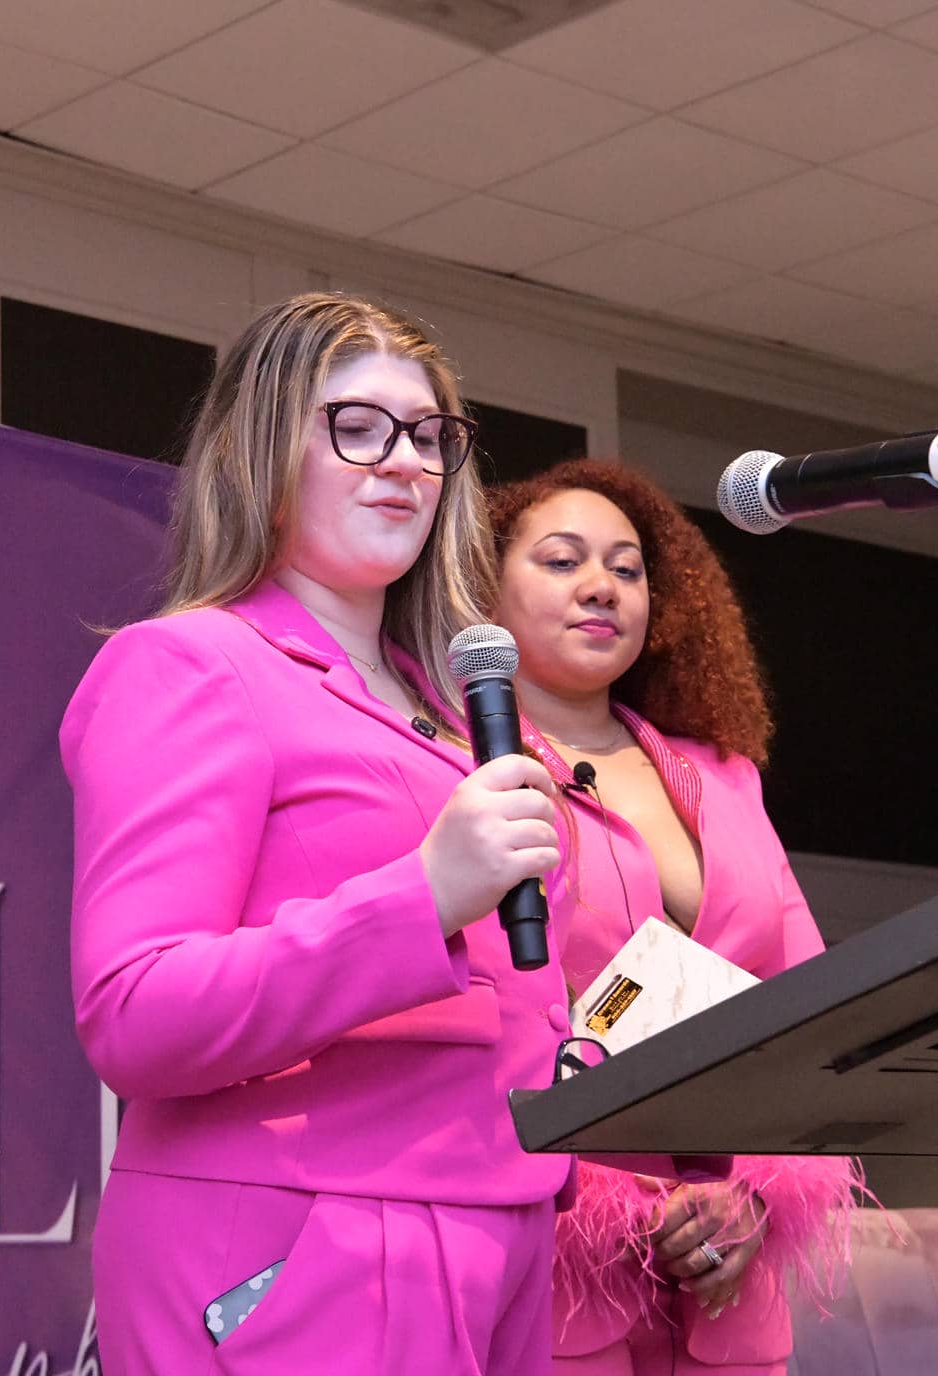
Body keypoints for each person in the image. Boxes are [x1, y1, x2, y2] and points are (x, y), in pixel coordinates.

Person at [63, 292, 575, 1374]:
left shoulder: (457, 706)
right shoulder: (190, 663)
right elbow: (134, 1012)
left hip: (508, 1230)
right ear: (261, 448)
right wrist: (424, 895)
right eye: (357, 426)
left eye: (429, 436)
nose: (405, 462)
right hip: (305, 1239)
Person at [487, 459, 860, 1376]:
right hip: (548, 1267)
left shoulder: (727, 778)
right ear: (482, 588)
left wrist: (756, 1197)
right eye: (562, 560)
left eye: (627, 568)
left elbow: (809, 1011)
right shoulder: (451, 767)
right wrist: (607, 1198)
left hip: (727, 1277)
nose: (600, 586)